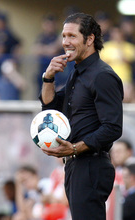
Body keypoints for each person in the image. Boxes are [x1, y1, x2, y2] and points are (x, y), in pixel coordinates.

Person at [40, 12, 123, 220]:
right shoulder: (76, 73)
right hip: (76, 165)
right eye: (63, 36)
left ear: (90, 39)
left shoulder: (102, 75)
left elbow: (112, 127)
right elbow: (50, 108)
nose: (65, 42)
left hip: (91, 166)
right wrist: (48, 77)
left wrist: (76, 147)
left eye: (72, 36)